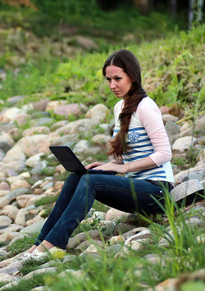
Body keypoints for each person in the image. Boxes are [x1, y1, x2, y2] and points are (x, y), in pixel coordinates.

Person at [23, 49, 175, 259]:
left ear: (132, 76)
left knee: (91, 183)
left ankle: (53, 244)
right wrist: (107, 165)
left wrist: (123, 168)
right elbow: (127, 155)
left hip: (157, 191)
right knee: (78, 176)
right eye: (108, 79)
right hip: (137, 188)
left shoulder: (146, 107)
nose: (112, 85)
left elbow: (165, 153)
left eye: (117, 78)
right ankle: (40, 244)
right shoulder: (119, 107)